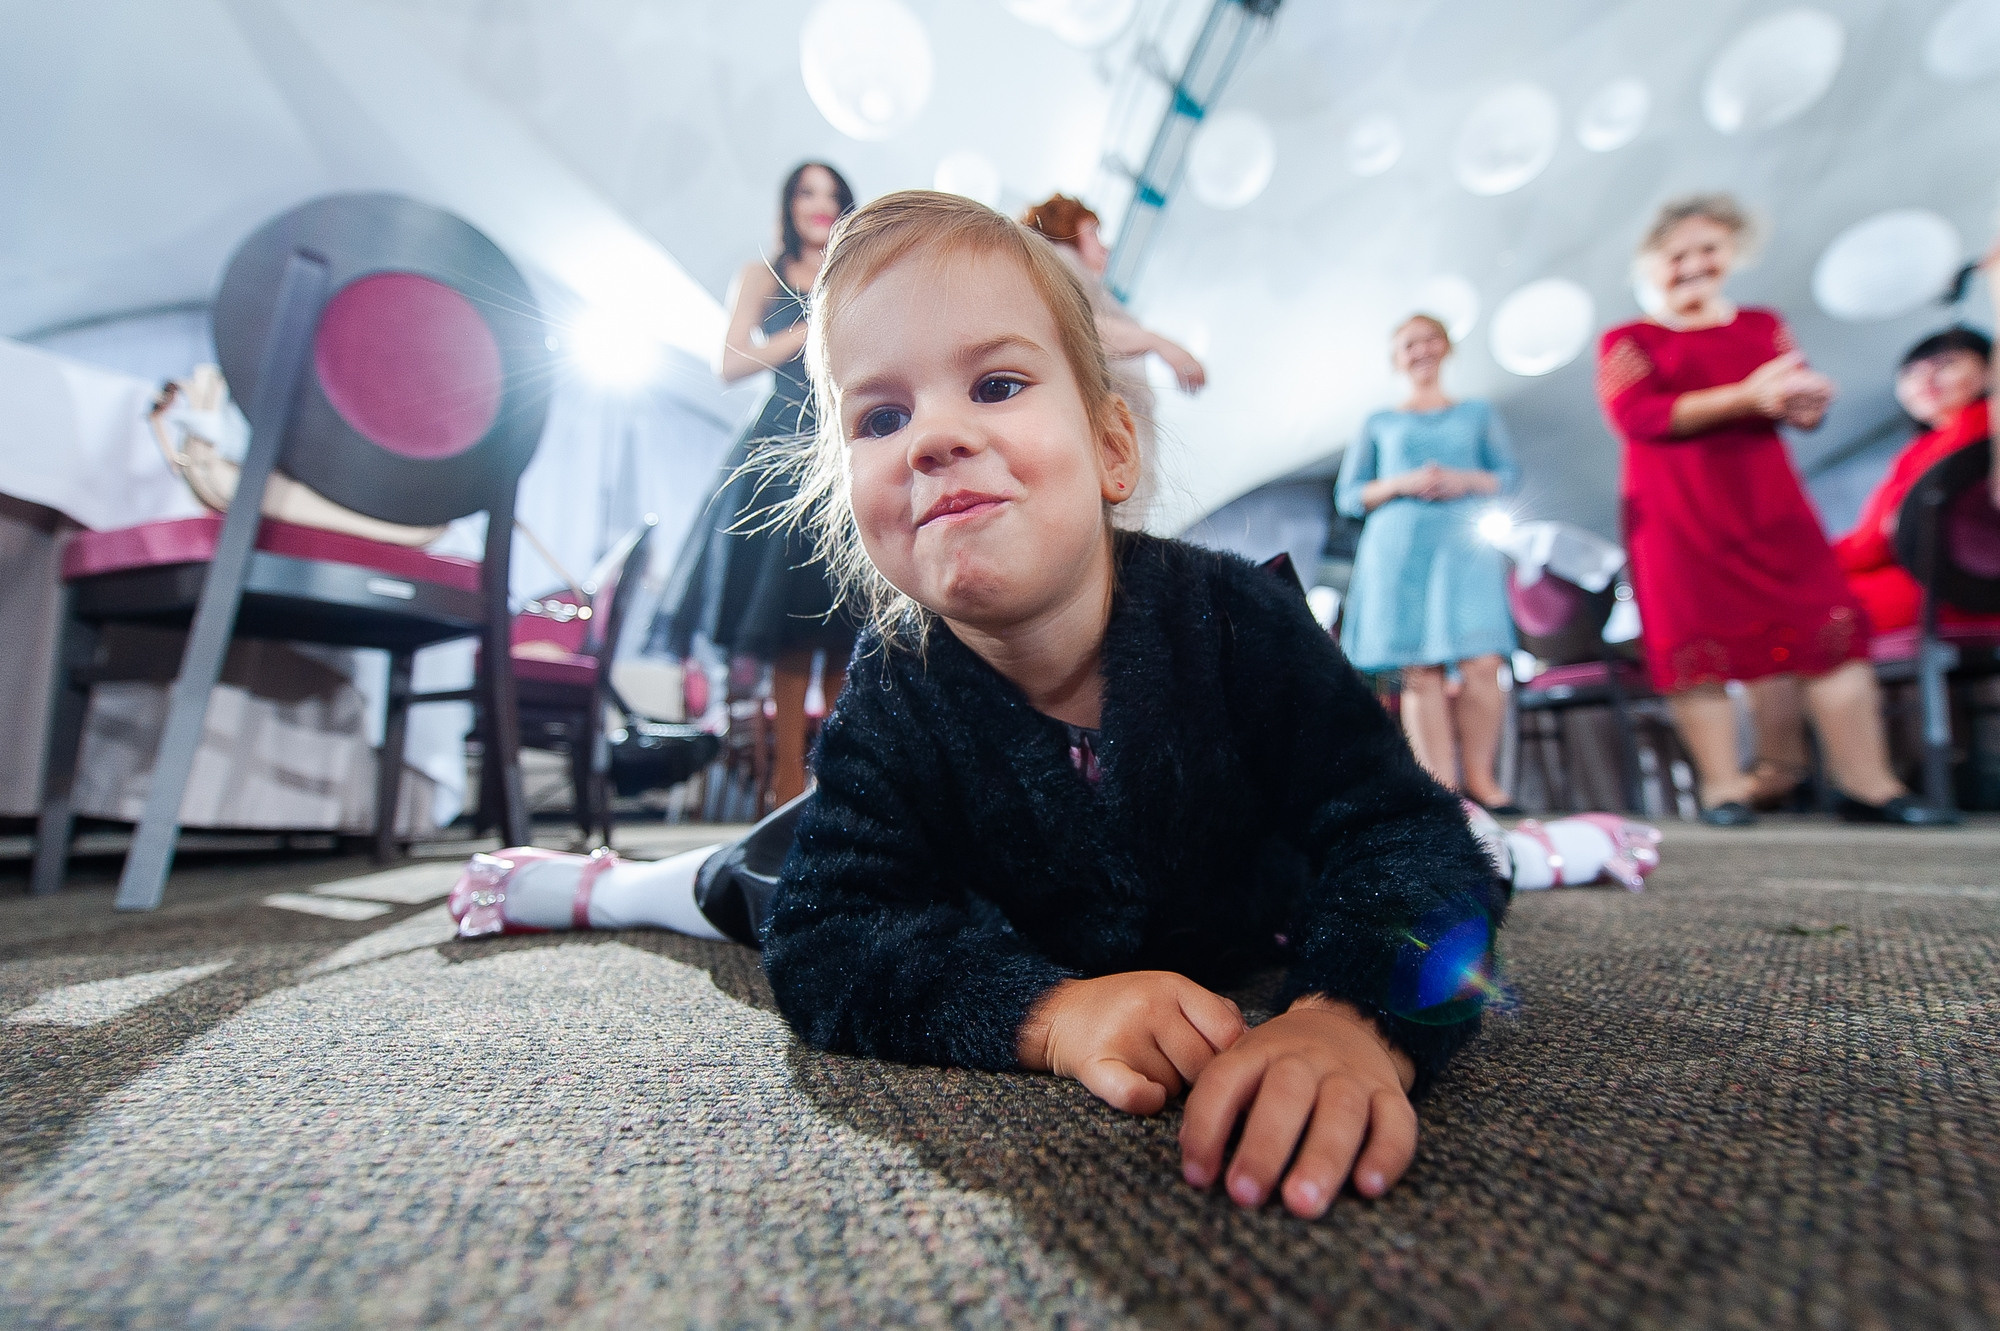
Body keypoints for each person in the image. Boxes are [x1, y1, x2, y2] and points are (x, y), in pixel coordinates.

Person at [449, 193, 1668, 1217]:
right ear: (850, 506)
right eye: (879, 415)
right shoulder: (894, 682)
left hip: (1248, 886)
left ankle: (1553, 842)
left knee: (1457, 845)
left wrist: (1358, 1020)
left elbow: (1398, 838)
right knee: (761, 876)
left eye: (992, 383)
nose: (932, 435)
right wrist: (1040, 1011)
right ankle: (608, 882)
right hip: (1011, 904)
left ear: (1110, 451)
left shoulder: (1238, 618)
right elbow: (831, 935)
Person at [1595, 193, 1955, 826]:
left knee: (1831, 634)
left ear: (1731, 253)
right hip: (1677, 516)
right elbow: (1637, 417)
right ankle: (1724, 788)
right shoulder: (1630, 340)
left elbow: (1792, 402)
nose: (1694, 265)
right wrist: (1748, 395)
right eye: (1677, 254)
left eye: (1707, 249)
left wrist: (1804, 403)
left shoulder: (1763, 326)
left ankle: (1869, 784)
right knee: (1696, 648)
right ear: (1652, 263)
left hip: (1769, 506)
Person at [649, 162, 859, 805]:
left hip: (846, 450)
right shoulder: (761, 277)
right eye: (806, 192)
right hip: (780, 452)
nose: (819, 204)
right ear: (789, 204)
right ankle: (788, 786)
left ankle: (841, 787)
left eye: (831, 194)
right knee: (789, 624)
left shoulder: (859, 274)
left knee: (845, 629)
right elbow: (730, 363)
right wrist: (808, 327)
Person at [1336, 314, 1522, 811]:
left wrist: (1462, 479)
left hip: (1463, 546)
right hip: (1400, 551)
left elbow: (1507, 476)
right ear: (1397, 357)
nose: (1421, 350)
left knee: (1483, 660)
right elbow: (1350, 496)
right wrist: (1402, 483)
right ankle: (1441, 788)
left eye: (1429, 339)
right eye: (1409, 343)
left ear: (1446, 348)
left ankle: (1482, 780)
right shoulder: (1379, 422)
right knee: (1419, 669)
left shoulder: (1479, 413)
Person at [1020, 194, 1205, 519]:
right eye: (1092, 231)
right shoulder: (1061, 260)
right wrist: (1160, 343)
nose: (1105, 247)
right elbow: (1081, 328)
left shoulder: (1076, 278)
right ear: (1065, 231)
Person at [1834, 325, 2000, 634]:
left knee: (1818, 612)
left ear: (1990, 371)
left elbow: (1884, 538)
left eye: (1946, 365)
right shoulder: (1920, 449)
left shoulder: (1978, 426)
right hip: (1941, 586)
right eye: (1911, 372)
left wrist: (1817, 561)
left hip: (1948, 592)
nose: (1925, 380)